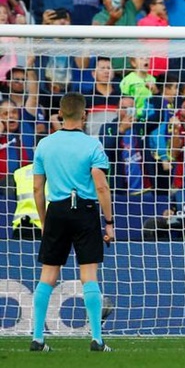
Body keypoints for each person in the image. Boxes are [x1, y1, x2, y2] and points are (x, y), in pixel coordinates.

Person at [30, 92, 114, 352]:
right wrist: (109, 222)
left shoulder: (44, 144)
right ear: (84, 114)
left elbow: (36, 188)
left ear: (60, 113)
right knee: (89, 275)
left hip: (56, 210)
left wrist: (45, 220)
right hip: (85, 210)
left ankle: (37, 338)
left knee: (47, 275)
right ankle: (97, 340)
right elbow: (101, 187)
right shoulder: (93, 145)